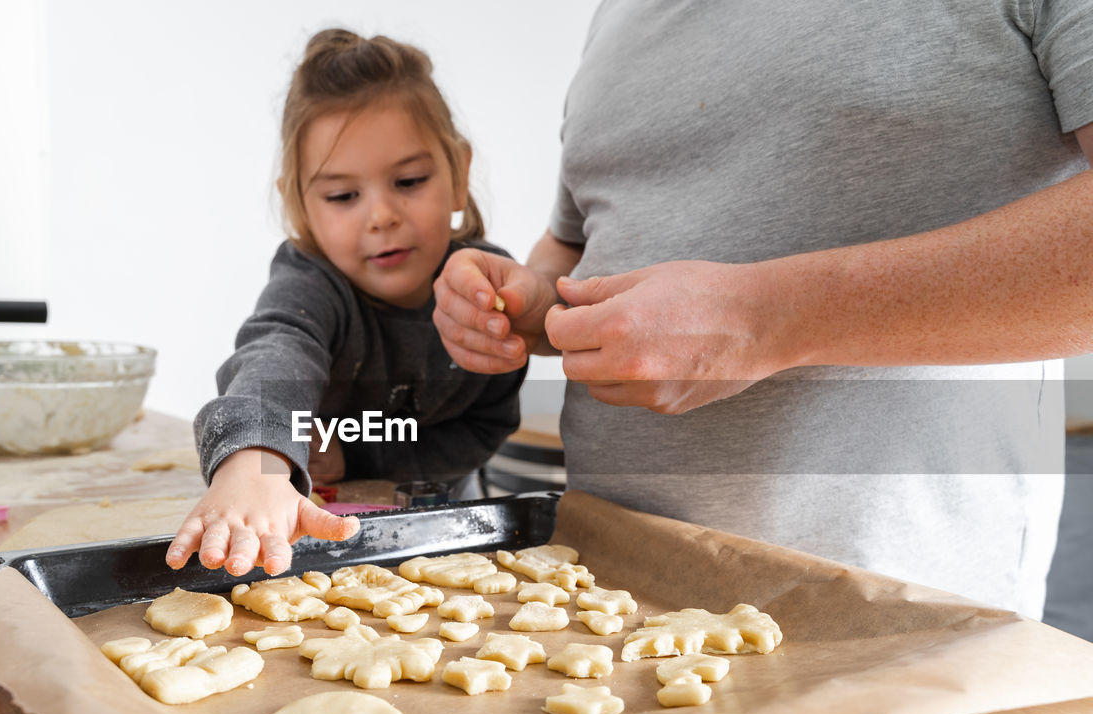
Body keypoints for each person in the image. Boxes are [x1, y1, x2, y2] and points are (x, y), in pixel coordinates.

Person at [432, 0, 1093, 618]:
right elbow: (577, 244)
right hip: (605, 608)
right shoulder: (618, 14)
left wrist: (765, 320)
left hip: (898, 633)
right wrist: (526, 298)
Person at [166, 29, 526, 578]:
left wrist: (359, 453)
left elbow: (483, 426)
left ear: (458, 174)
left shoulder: (484, 291)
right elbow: (276, 351)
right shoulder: (311, 283)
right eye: (342, 196)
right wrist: (255, 461)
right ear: (301, 206)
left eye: (408, 180)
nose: (380, 215)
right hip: (313, 519)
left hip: (452, 520)